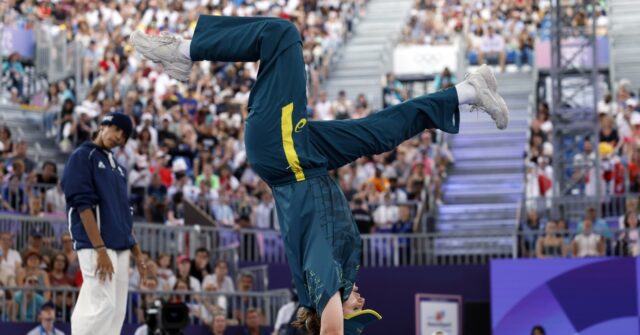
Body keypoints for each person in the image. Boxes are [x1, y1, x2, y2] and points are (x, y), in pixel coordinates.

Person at [132, 16, 508, 334]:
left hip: (284, 156)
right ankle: (467, 91)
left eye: (358, 309)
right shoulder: (335, 271)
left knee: (283, 35)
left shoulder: (324, 278)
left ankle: (182, 52)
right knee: (379, 132)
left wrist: (335, 318)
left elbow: (330, 329)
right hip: (306, 161)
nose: (362, 300)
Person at [61, 112, 147, 335]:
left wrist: (137, 253)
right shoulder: (82, 156)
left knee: (116, 311)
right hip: (96, 244)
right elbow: (82, 205)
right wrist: (99, 249)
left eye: (124, 135)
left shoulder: (119, 169)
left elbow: (124, 214)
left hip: (120, 246)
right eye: (116, 129)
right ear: (103, 126)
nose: (119, 136)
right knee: (102, 305)